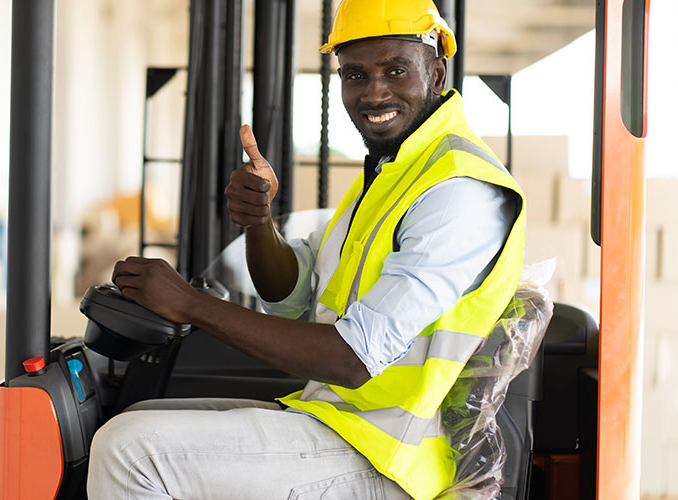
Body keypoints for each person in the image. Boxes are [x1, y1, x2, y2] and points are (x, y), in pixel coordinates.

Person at [87, 0, 526, 498]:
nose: (373, 91)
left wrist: (190, 305)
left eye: (395, 71)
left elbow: (353, 358)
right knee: (138, 417)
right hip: (338, 421)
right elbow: (292, 292)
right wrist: (258, 222)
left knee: (129, 451)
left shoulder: (458, 191)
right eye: (355, 75)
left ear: (437, 71)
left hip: (390, 458)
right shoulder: (395, 175)